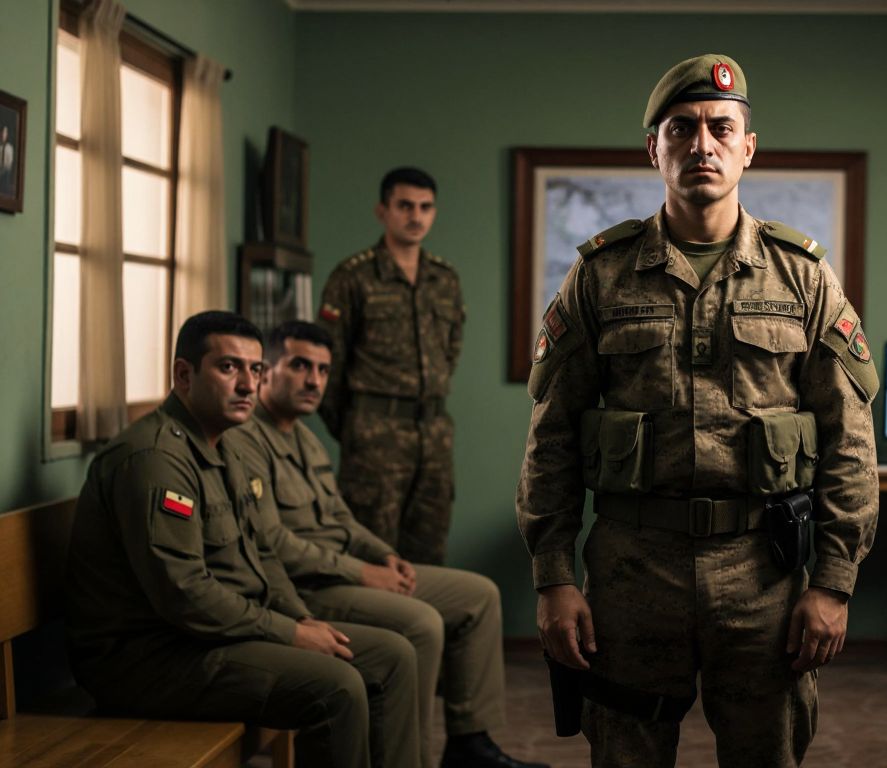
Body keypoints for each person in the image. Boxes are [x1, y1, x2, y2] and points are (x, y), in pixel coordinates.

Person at [516, 53, 880, 767]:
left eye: (721, 128)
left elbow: (849, 439)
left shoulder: (803, 275)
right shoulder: (601, 273)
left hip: (762, 572)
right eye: (681, 128)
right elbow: (551, 434)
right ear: (653, 149)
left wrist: (834, 582)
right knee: (625, 751)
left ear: (748, 148)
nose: (701, 144)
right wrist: (553, 578)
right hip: (632, 571)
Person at [65, 310, 420, 768]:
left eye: (255, 369)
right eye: (229, 367)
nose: (249, 385)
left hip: (207, 637)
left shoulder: (226, 444)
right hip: (147, 658)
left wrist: (301, 618)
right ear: (183, 375)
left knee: (392, 654)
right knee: (337, 686)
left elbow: (261, 551)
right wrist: (288, 633)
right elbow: (184, 594)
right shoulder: (155, 458)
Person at [228, 320, 546, 768]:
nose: (314, 380)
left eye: (322, 370)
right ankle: (407, 759)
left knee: (479, 596)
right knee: (421, 623)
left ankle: (469, 744)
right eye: (299, 366)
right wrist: (363, 572)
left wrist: (384, 555)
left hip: (343, 571)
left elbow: (339, 516)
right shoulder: (243, 441)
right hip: (306, 587)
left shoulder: (302, 436)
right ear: (266, 371)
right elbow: (272, 544)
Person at [317, 167, 464, 564]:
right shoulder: (353, 277)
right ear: (382, 211)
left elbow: (450, 352)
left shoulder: (445, 279)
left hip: (434, 435)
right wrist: (355, 427)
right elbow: (327, 364)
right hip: (374, 438)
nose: (416, 216)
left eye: (425, 207)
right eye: (405, 206)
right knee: (374, 556)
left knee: (429, 558)